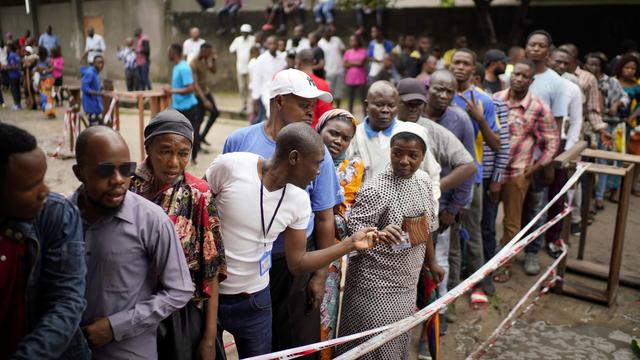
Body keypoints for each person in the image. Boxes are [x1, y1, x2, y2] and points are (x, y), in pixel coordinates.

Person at [208, 122, 378, 357]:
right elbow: (199, 208)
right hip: (211, 297)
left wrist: (348, 245)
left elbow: (297, 262)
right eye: (317, 163)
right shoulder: (232, 165)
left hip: (256, 301)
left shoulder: (298, 201)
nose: (319, 172)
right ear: (295, 158)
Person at [222, 69, 340, 356]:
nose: (311, 111)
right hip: (246, 265)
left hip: (296, 266)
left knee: (296, 345)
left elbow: (325, 217)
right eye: (303, 104)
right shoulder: (239, 142)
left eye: (313, 105)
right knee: (256, 344)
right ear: (278, 102)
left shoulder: (315, 150)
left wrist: (320, 275)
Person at [70, 126, 193, 360]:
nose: (118, 180)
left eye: (126, 169)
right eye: (105, 171)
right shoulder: (59, 219)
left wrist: (116, 327)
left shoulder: (151, 220)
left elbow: (179, 289)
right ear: (79, 172)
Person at [337, 121, 444, 360]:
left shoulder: (424, 182)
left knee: (395, 343)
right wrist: (378, 234)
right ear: (390, 153)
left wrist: (432, 263)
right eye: (398, 153)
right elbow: (352, 233)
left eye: (413, 155)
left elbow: (425, 229)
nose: (405, 161)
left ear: (423, 156)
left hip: (407, 283)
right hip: (373, 285)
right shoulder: (375, 189)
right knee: (370, 346)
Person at [129, 110, 227, 360]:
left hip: (180, 317)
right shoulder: (129, 187)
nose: (173, 162)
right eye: (165, 151)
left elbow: (211, 270)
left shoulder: (198, 195)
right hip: (130, 306)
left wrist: (208, 337)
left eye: (183, 153)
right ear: (148, 148)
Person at [1, 123, 90, 360]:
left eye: (42, 179)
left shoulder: (56, 213)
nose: (45, 191)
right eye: (31, 186)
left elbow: (67, 300)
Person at [492, 60, 560, 283]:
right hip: (492, 174)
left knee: (511, 223)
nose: (519, 79)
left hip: (517, 174)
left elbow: (552, 142)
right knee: (487, 220)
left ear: (531, 81)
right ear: (511, 75)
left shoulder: (539, 107)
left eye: (524, 77)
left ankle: (504, 265)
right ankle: (483, 262)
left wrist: (534, 167)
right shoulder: (495, 99)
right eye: (516, 74)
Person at [449, 49, 502, 302]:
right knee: (446, 234)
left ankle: (477, 283)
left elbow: (497, 144)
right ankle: (447, 286)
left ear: (474, 70)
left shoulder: (484, 101)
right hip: (442, 178)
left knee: (473, 232)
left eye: (465, 64)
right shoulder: (440, 95)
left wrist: (480, 120)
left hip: (473, 178)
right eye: (456, 63)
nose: (460, 67)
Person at [517, 30, 567, 275]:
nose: (536, 49)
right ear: (526, 47)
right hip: (516, 158)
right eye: (532, 44)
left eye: (541, 45)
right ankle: (510, 249)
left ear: (548, 50)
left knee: (536, 206)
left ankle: (532, 252)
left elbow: (557, 126)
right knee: (514, 207)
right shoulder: (514, 73)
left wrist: (550, 162)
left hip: (539, 158)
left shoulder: (555, 82)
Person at [314, 110, 363, 360]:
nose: (338, 141)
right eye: (333, 133)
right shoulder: (302, 158)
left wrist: (320, 211)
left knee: (323, 315)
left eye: (345, 138)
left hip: (330, 258)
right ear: (319, 129)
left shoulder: (352, 169)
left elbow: (344, 225)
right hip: (294, 249)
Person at [348, 80, 441, 190]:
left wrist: (432, 205)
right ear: (367, 105)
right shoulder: (352, 136)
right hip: (365, 204)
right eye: (379, 105)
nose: (385, 110)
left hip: (405, 205)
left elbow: (432, 175)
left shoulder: (413, 133)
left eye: (391, 105)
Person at [545, 48, 584, 255]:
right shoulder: (537, 82)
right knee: (529, 197)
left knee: (556, 195)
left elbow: (577, 120)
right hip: (535, 145)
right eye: (557, 61)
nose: (560, 66)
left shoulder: (572, 88)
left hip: (559, 146)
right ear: (550, 60)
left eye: (565, 63)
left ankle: (552, 238)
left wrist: (567, 151)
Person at [585, 52, 631, 210]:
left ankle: (599, 196)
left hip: (607, 125)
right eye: (589, 64)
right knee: (586, 162)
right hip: (587, 126)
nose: (592, 67)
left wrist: (616, 105)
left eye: (596, 64)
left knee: (604, 160)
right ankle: (587, 197)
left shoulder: (611, 82)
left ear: (601, 67)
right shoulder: (582, 80)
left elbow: (625, 98)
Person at [165, 43, 200, 162]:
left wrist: (172, 91)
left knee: (190, 133)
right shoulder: (176, 67)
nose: (167, 54)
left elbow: (190, 88)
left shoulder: (184, 68)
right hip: (179, 107)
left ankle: (193, 158)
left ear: (174, 53)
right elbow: (178, 85)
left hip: (188, 107)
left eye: (168, 51)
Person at [250, 36, 286, 124]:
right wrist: (255, 98)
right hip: (267, 93)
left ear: (278, 45)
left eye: (274, 44)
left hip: (281, 92)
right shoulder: (261, 60)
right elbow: (257, 79)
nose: (272, 46)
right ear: (267, 45)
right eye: (270, 44)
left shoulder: (281, 57)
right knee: (270, 115)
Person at [190, 43, 220, 147]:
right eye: (209, 52)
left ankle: (201, 138)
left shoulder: (204, 60)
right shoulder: (193, 63)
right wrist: (204, 100)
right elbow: (195, 84)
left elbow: (214, 71)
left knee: (215, 113)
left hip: (206, 92)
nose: (211, 54)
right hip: (199, 94)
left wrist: (213, 59)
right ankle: (196, 145)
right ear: (203, 51)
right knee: (199, 119)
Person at [295, 49, 332, 127]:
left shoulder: (293, 82)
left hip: (294, 132)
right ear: (314, 62)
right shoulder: (323, 84)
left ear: (298, 63)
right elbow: (325, 115)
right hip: (314, 133)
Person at [229, 24, 256, 113]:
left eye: (246, 32)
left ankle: (251, 105)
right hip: (240, 67)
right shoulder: (237, 40)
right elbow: (231, 50)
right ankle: (244, 105)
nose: (245, 34)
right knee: (242, 87)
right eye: (243, 32)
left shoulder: (253, 39)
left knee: (250, 87)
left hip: (250, 68)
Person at [343, 34, 368, 114]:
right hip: (350, 79)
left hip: (361, 78)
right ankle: (350, 116)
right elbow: (345, 64)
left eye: (353, 40)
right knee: (351, 99)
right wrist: (356, 63)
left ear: (358, 41)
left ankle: (365, 115)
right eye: (351, 40)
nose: (352, 42)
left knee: (363, 99)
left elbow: (361, 63)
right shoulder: (348, 52)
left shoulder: (363, 51)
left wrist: (350, 63)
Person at [80, 54, 106, 126]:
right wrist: (98, 93)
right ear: (94, 63)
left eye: (102, 63)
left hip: (97, 107)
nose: (101, 65)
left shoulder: (97, 74)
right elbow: (84, 88)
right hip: (91, 107)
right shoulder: (90, 73)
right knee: (94, 130)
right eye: (98, 63)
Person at [35, 46, 56, 118]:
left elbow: (52, 68)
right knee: (44, 97)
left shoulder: (47, 59)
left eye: (38, 51)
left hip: (48, 80)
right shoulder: (39, 60)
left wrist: (45, 70)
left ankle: (51, 113)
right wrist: (38, 69)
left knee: (49, 97)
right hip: (42, 80)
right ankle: (48, 111)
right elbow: (36, 69)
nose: (37, 52)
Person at [6, 42, 21, 110]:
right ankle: (19, 104)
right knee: (18, 89)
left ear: (10, 48)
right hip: (18, 74)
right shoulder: (16, 55)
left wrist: (7, 67)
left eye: (7, 47)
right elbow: (18, 65)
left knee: (14, 89)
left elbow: (13, 66)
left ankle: (16, 104)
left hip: (13, 75)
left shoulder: (11, 55)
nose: (7, 49)